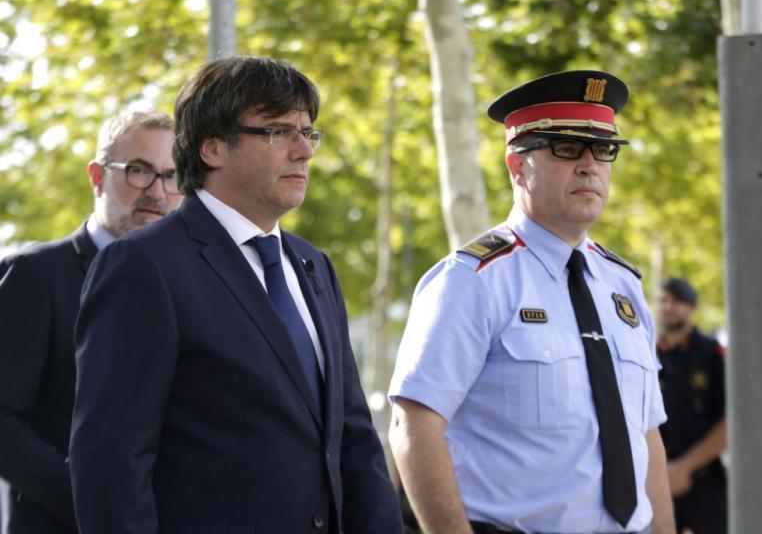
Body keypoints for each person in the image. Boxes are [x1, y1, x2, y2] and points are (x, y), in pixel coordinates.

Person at [69, 56, 402, 533]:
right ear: (212, 149)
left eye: (307, 133)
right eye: (277, 132)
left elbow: (353, 437)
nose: (303, 151)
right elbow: (111, 460)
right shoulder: (145, 265)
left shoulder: (313, 266)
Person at [389, 70, 674, 534]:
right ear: (517, 166)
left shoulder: (622, 285)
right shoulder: (473, 280)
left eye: (604, 150)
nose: (589, 165)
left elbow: (647, 437)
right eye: (566, 148)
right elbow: (412, 427)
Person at [0, 110, 181, 533]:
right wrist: (104, 504)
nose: (157, 191)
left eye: (173, 176)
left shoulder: (188, 285)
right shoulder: (33, 275)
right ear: (98, 177)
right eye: (139, 171)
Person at [655, 278, 727, 534]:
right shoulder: (648, 354)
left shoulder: (712, 354)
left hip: (704, 485)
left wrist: (683, 468)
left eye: (677, 301)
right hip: (655, 483)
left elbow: (732, 422)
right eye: (663, 300)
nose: (669, 307)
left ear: (692, 307)